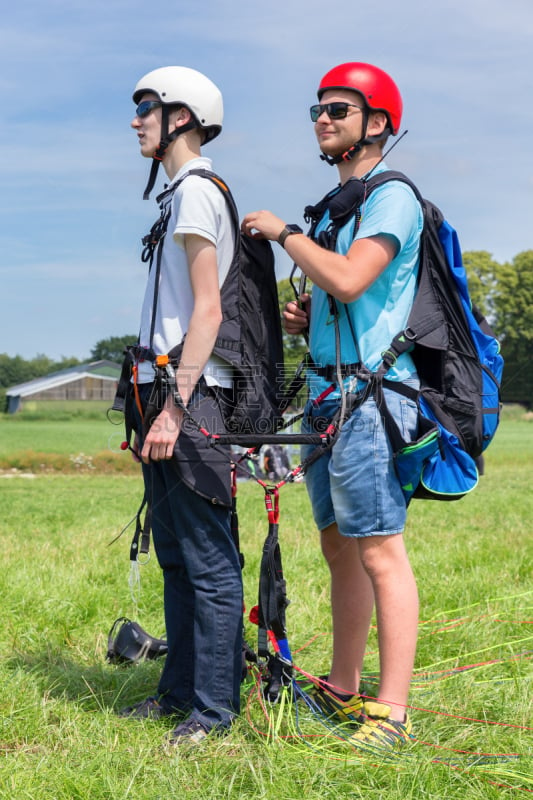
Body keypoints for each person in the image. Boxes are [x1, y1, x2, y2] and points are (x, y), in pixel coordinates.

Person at [241, 62, 422, 750]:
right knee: (337, 548)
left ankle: (392, 713)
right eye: (316, 109)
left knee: (379, 551)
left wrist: (285, 234)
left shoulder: (391, 198)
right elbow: (338, 294)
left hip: (369, 396)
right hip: (325, 394)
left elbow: (351, 279)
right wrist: (303, 318)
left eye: (338, 110)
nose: (321, 118)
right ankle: (342, 690)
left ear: (376, 123)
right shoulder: (333, 206)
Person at [118, 66, 243, 746]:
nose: (135, 120)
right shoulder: (174, 198)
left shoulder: (196, 194)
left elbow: (208, 308)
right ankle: (177, 698)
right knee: (175, 555)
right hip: (163, 395)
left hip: (190, 400)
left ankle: (214, 713)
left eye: (145, 107)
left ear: (182, 118)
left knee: (208, 560)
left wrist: (173, 409)